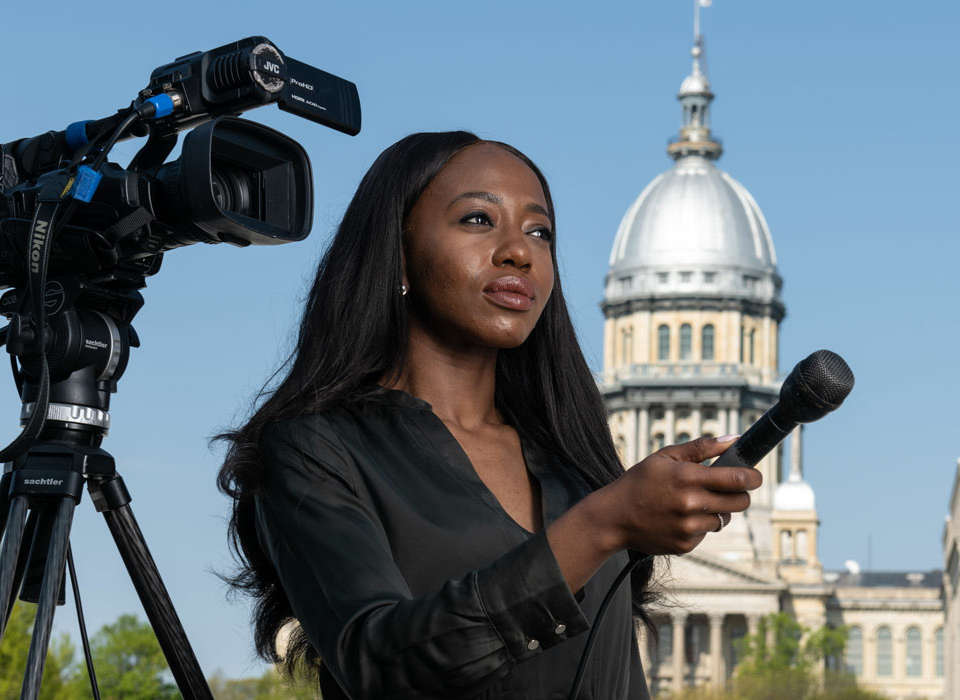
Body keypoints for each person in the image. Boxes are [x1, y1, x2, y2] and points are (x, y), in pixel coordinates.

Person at [217, 131, 763, 699]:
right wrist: (601, 525)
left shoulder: (574, 462)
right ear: (397, 251)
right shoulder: (313, 449)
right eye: (479, 219)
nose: (519, 251)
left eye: (539, 231)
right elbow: (378, 665)